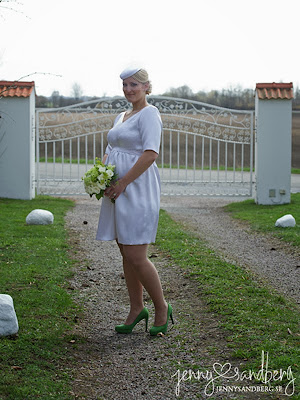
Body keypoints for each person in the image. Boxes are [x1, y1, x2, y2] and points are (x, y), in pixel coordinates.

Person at [96, 67, 173, 336]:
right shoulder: (121, 116)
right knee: (125, 252)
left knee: (137, 255)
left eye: (134, 85)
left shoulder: (149, 114)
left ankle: (162, 307)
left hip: (137, 188)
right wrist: (102, 175)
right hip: (117, 188)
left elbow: (151, 153)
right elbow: (110, 149)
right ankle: (136, 309)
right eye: (126, 85)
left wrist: (124, 181)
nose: (129, 89)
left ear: (146, 87)